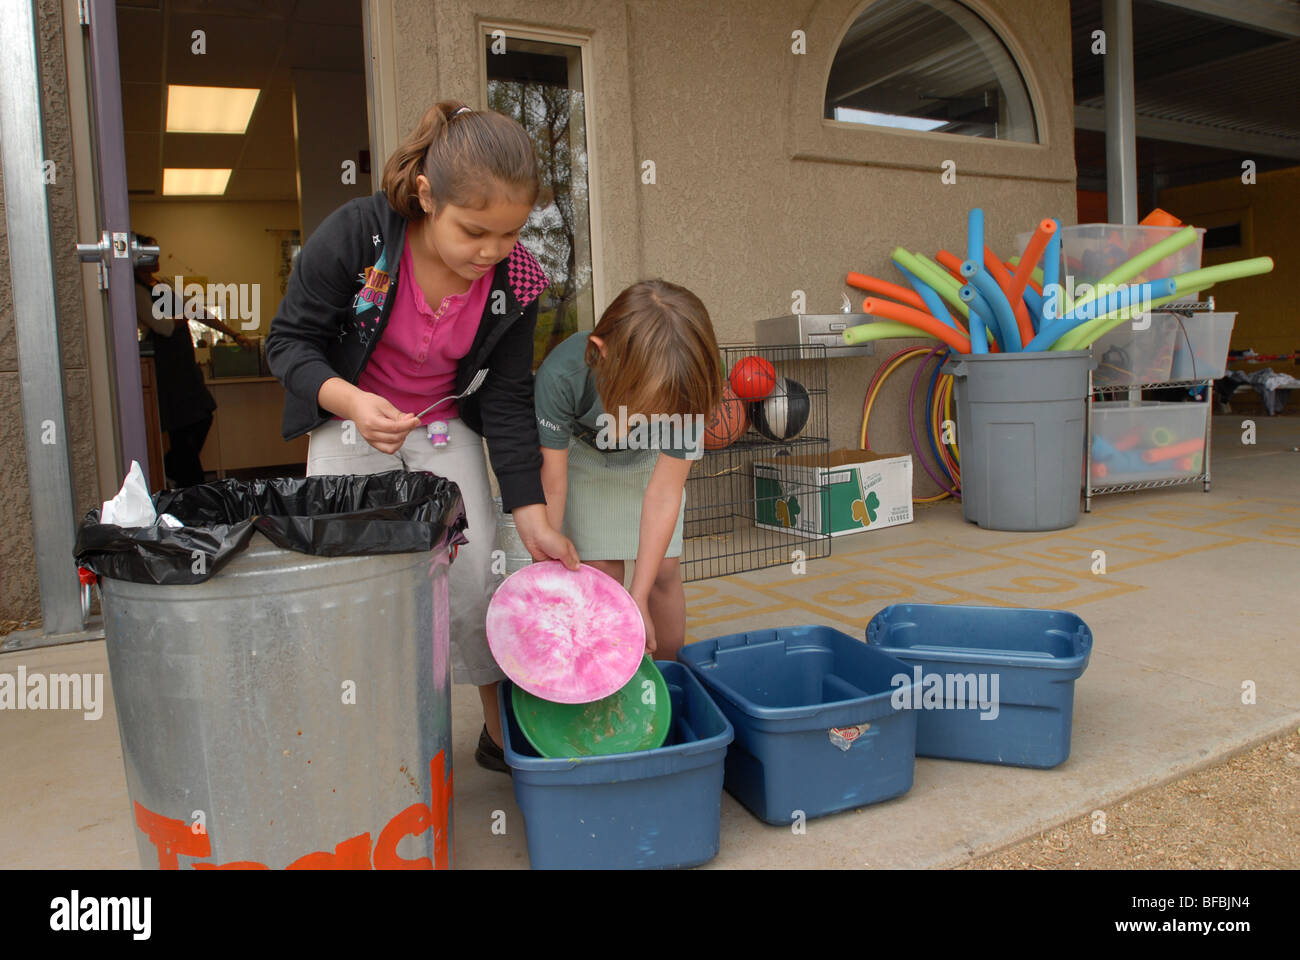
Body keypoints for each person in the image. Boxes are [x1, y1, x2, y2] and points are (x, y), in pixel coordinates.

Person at [265, 100, 578, 773]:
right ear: (428, 198)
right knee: (356, 582)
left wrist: (533, 516)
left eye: (510, 233)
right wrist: (351, 402)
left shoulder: (517, 281)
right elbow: (288, 344)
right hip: (353, 420)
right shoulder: (359, 238)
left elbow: (508, 398)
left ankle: (500, 736)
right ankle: (365, 738)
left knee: (472, 576)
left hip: (443, 426)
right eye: (474, 233)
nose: (491, 253)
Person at [534, 280, 723, 661]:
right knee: (600, 571)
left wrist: (639, 596)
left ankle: (671, 676)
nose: (649, 417)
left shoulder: (690, 376)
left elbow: (665, 492)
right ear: (602, 354)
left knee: (664, 572)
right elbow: (553, 485)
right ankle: (606, 675)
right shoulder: (562, 375)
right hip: (585, 455)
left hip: (651, 459)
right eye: (645, 404)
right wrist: (549, 564)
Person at [132, 234, 254, 488]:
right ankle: (193, 487)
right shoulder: (135, 291)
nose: (155, 257)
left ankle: (173, 471)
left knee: (202, 417)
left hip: (185, 367)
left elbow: (195, 310)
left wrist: (234, 333)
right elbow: (162, 326)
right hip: (167, 370)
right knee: (182, 432)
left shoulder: (160, 284)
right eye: (150, 253)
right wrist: (183, 315)